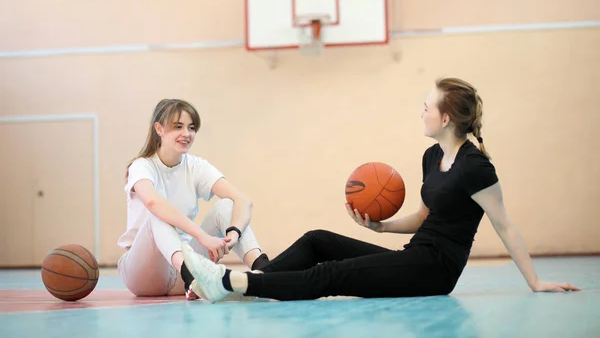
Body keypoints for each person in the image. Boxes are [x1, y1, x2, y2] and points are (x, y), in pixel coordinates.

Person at [181, 78, 580, 303]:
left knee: (332, 275)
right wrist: (381, 229)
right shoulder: (432, 156)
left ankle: (233, 283)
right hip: (414, 257)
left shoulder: (475, 167)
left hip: (435, 273)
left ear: (444, 117)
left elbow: (505, 225)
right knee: (318, 241)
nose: (420, 111)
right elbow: (425, 218)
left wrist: (535, 282)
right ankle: (260, 281)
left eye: (426, 106)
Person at [117, 99, 269, 299]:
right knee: (156, 217)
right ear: (159, 129)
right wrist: (203, 237)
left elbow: (242, 201)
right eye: (178, 127)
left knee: (226, 205)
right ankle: (192, 276)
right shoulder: (142, 166)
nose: (186, 134)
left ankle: (266, 273)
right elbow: (154, 203)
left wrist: (234, 234)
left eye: (191, 127)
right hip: (144, 273)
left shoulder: (196, 166)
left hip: (181, 266)